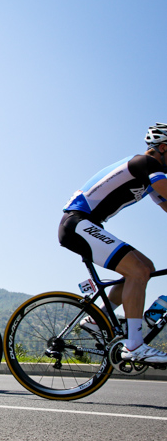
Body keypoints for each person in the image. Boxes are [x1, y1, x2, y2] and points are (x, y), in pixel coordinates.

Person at [59, 123, 167, 364]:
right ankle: (135, 345)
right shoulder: (147, 164)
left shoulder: (149, 174)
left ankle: (99, 319)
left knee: (145, 267)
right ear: (162, 148)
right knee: (138, 271)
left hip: (88, 225)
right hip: (77, 223)